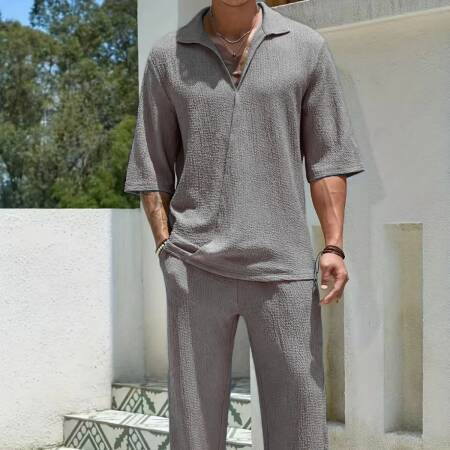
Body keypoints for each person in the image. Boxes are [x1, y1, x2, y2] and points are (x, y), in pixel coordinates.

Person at [124, 1, 366, 448]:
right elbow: (151, 167)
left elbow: (327, 158)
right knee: (194, 430)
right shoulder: (167, 56)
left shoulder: (306, 48)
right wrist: (165, 249)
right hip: (194, 267)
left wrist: (333, 245)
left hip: (283, 269)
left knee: (300, 425)